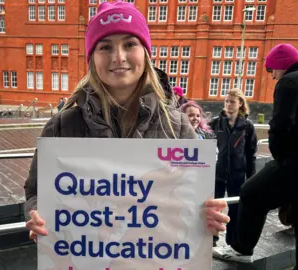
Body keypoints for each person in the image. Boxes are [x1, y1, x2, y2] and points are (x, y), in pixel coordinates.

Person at [24, 0, 229, 245]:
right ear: (92, 58)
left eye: (129, 44)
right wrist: (37, 215)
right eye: (105, 47)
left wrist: (210, 215)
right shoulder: (61, 126)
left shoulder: (177, 126)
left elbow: (192, 201)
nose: (118, 57)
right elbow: (36, 191)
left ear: (145, 52)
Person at [213, 44, 298, 269]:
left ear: (281, 65)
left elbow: (281, 125)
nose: (272, 76)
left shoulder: (290, 81)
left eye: (271, 70)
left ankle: (242, 250)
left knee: (251, 193)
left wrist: (281, 160)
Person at [209, 89, 257, 247]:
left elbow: (251, 154)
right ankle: (212, 238)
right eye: (226, 101)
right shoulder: (216, 123)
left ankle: (232, 240)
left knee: (235, 209)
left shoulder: (247, 126)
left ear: (240, 103)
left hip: (237, 174)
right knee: (214, 207)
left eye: (232, 101)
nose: (228, 104)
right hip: (217, 174)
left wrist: (251, 178)